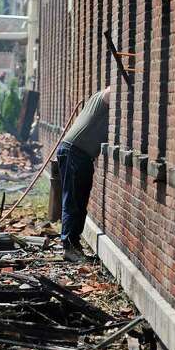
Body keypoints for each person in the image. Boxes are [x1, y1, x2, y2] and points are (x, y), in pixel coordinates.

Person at [57, 86, 111, 262]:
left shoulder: (97, 98)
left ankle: (73, 244)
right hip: (75, 152)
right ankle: (69, 246)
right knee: (73, 202)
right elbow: (112, 92)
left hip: (78, 153)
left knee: (79, 202)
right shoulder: (104, 96)